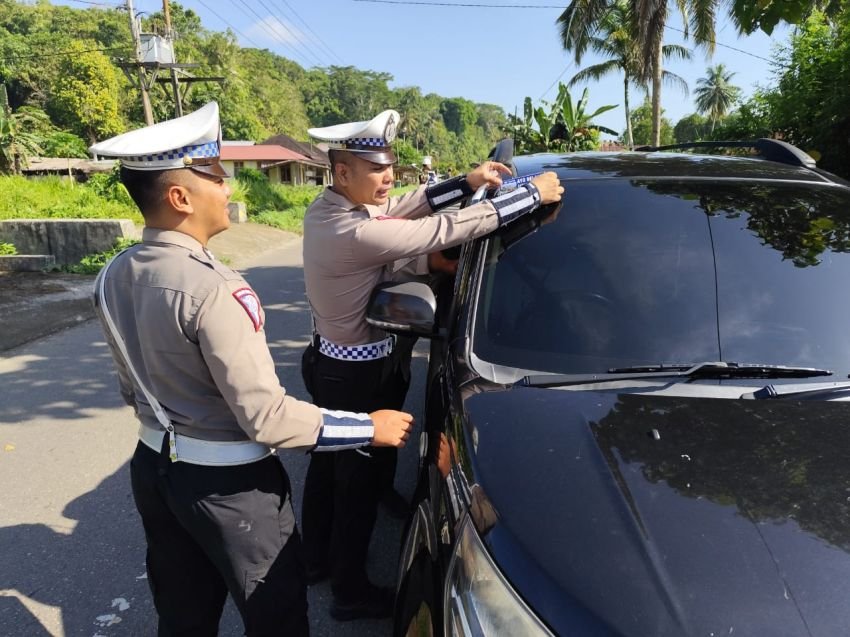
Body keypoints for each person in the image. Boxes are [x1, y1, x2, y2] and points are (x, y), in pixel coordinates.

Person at [88, 102, 414, 636]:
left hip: (153, 467)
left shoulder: (113, 273)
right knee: (277, 617)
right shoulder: (215, 288)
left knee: (183, 614)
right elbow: (265, 417)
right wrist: (368, 427)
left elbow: (132, 388)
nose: (229, 189)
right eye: (216, 176)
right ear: (179, 197)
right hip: (231, 486)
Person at [300, 108, 563, 620]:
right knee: (354, 486)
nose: (388, 177)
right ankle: (348, 592)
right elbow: (438, 228)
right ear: (342, 171)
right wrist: (531, 195)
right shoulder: (352, 232)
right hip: (357, 377)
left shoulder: (332, 208)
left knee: (328, 468)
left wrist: (466, 180)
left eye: (389, 165)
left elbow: (404, 205)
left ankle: (314, 560)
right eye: (376, 169)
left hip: (335, 364)